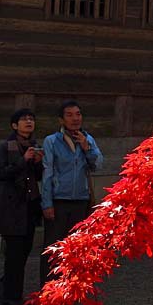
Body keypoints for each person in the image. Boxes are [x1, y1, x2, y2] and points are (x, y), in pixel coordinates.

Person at [40, 100, 103, 285]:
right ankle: (48, 290)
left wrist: (86, 148)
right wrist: (47, 203)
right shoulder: (52, 141)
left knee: (76, 248)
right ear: (61, 119)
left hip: (81, 200)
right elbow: (47, 172)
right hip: (58, 201)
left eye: (78, 114)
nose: (75, 118)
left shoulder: (88, 139)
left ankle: (70, 290)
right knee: (53, 248)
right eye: (69, 115)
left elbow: (98, 165)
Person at [0, 109, 44, 305]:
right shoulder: (6, 146)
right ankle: (11, 298)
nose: (29, 122)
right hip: (11, 208)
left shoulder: (35, 146)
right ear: (14, 126)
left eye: (31, 119)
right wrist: (23, 160)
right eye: (24, 120)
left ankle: (5, 285)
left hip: (29, 207)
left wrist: (38, 164)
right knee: (13, 254)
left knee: (23, 253)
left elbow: (37, 176)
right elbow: (0, 173)